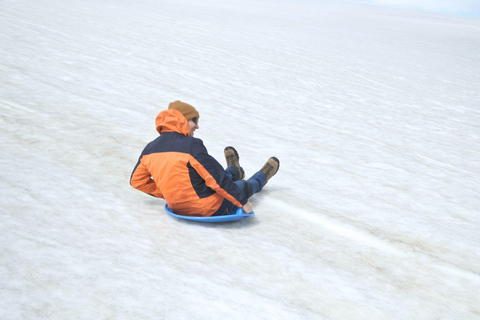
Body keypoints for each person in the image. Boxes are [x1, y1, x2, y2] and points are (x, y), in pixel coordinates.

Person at [130, 100, 280, 217]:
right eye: (194, 120)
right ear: (182, 120)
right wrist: (243, 202)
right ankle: (262, 175)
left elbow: (136, 181)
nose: (197, 126)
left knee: (211, 176)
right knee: (241, 186)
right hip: (208, 208)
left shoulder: (149, 149)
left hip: (176, 206)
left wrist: (171, 193)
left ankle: (234, 170)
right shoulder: (191, 146)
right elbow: (217, 180)